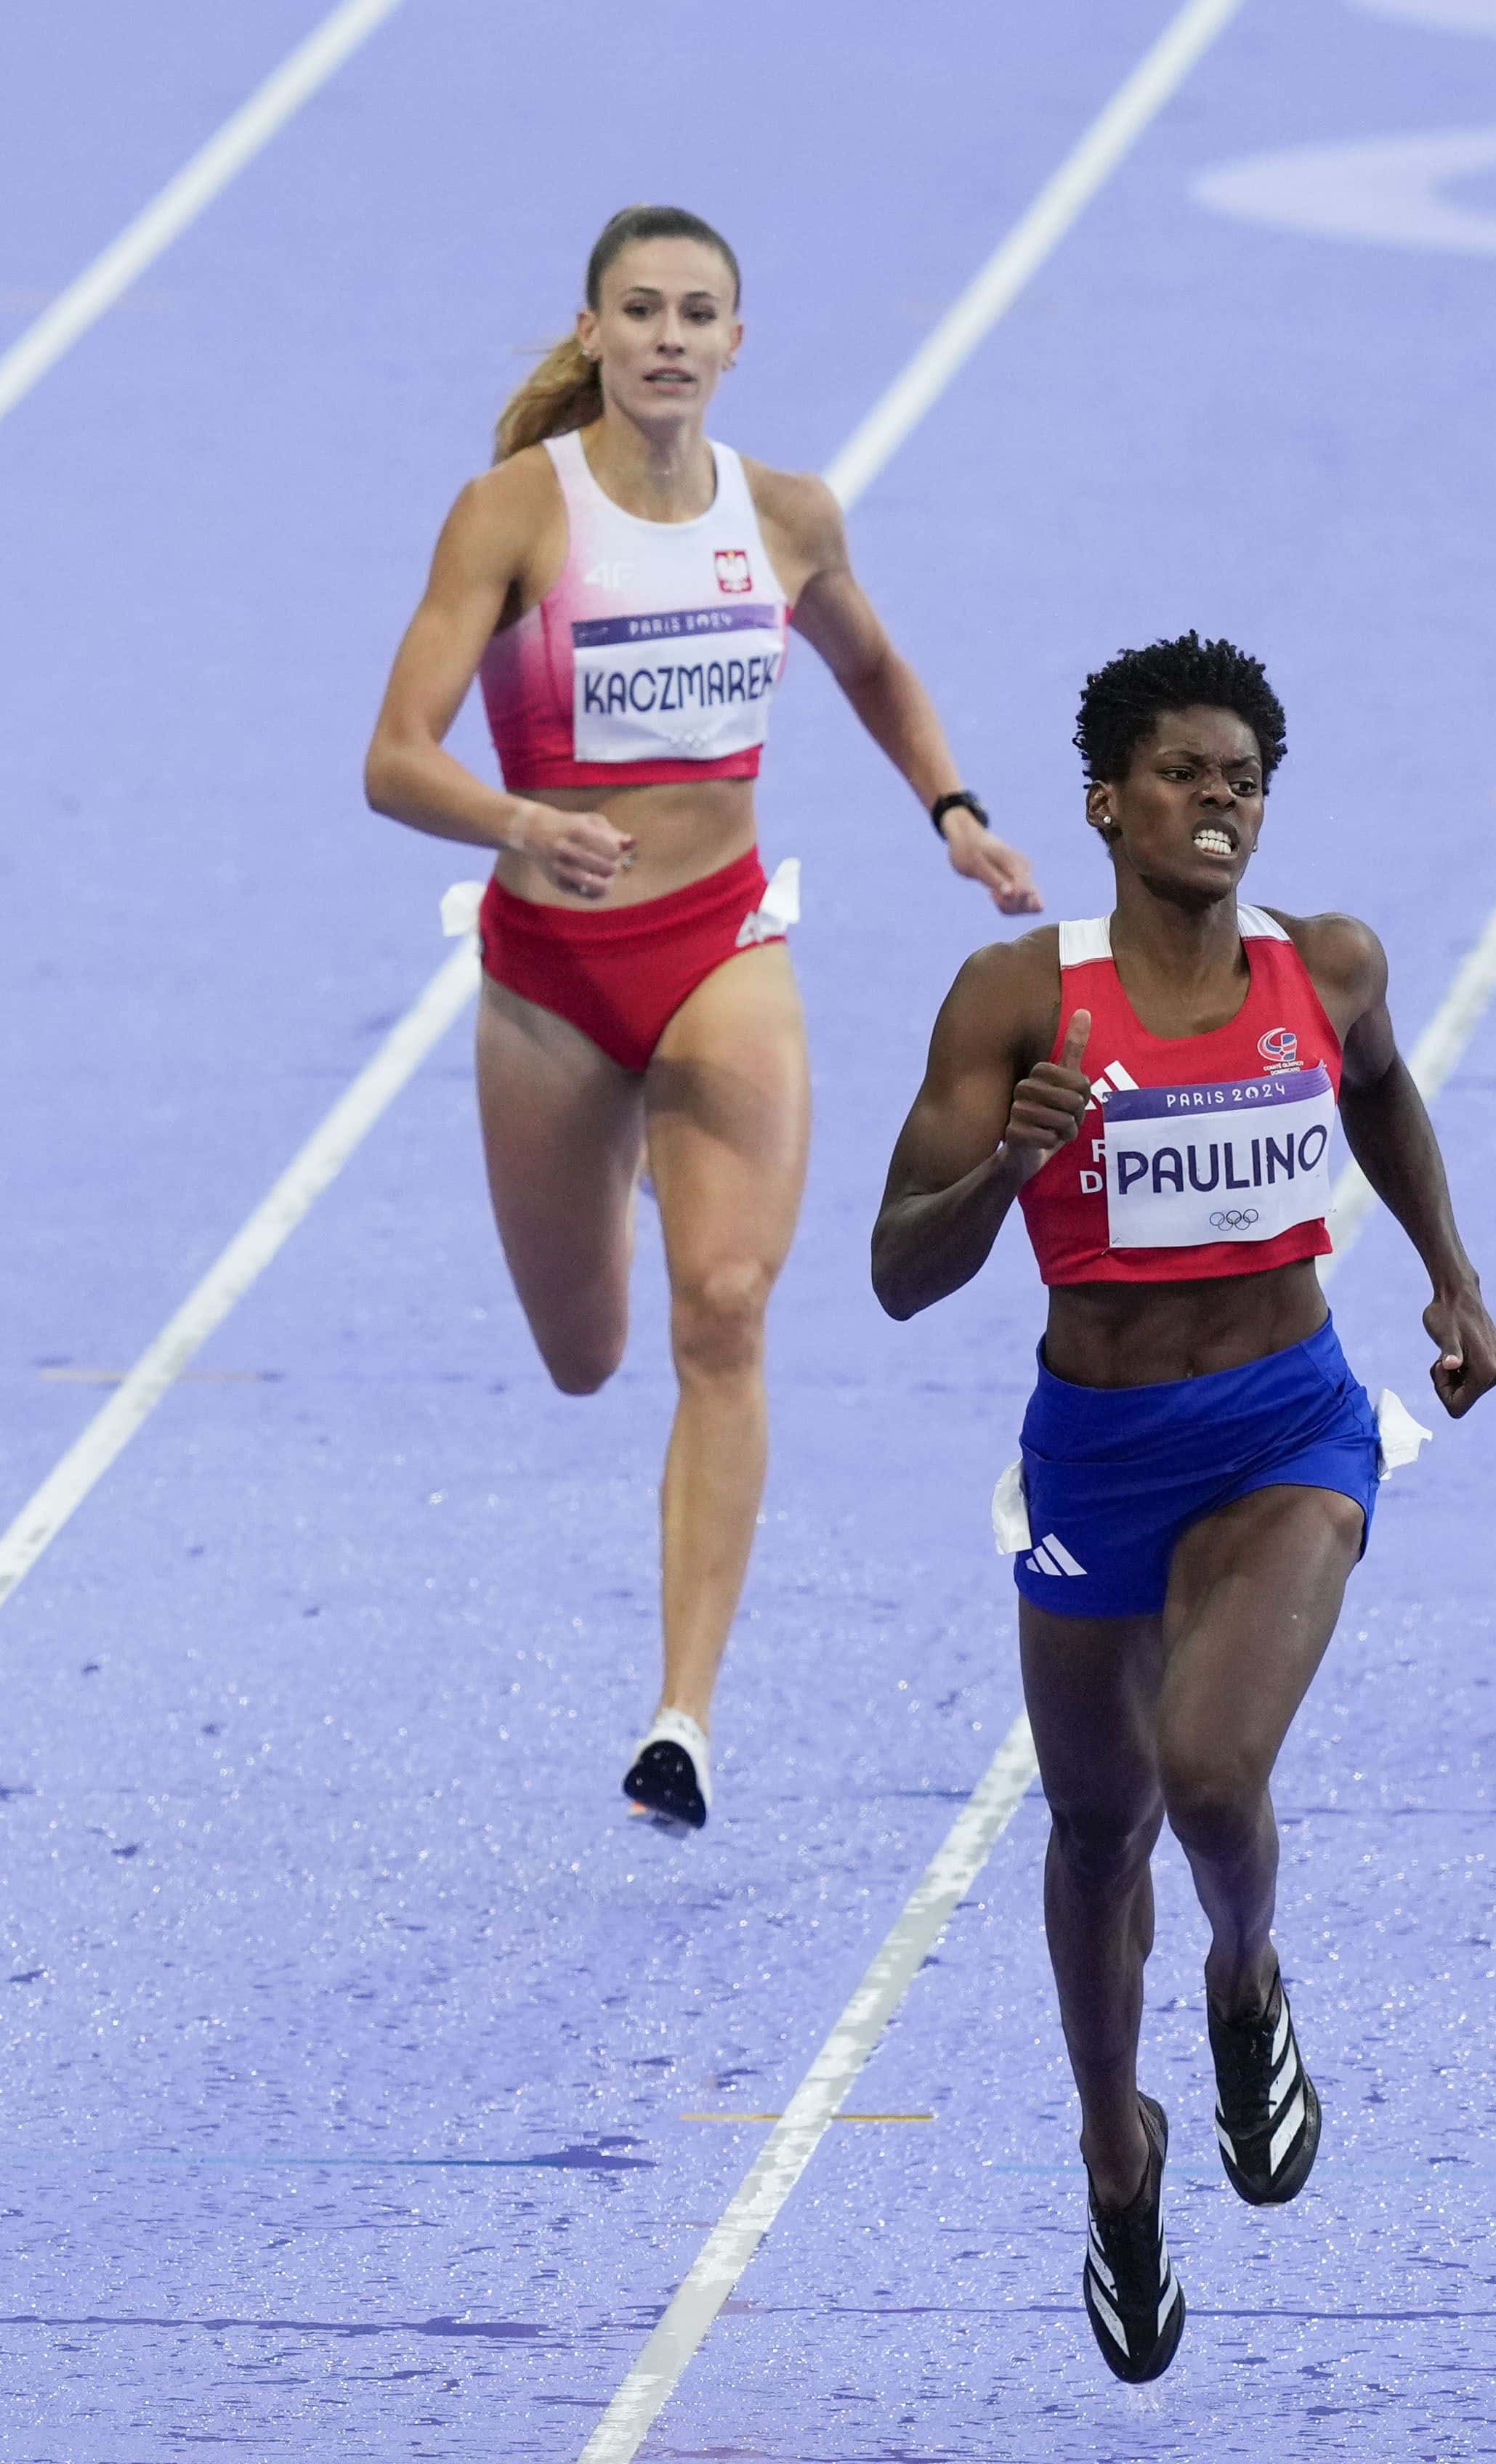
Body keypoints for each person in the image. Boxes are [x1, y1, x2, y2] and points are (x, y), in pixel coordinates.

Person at [870, 632, 1496, 2382]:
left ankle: (1242, 1985)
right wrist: (1011, 1160)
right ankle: (1116, 2153)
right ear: (1105, 804)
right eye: (1184, 774)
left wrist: (1452, 1278)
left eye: (1243, 778)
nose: (1219, 799)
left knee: (1213, 1770)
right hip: (1096, 1456)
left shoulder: (1334, 965)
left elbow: (1381, 1095)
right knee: (1095, 1833)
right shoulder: (1017, 1001)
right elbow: (895, 1276)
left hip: (1287, 1434)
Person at [363, 203, 1043, 1827]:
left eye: (700, 314)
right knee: (589, 1356)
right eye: (642, 311)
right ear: (593, 334)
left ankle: (684, 1717)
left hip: (724, 950)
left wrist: (952, 807)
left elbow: (875, 670)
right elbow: (395, 756)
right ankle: (627, 1146)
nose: (670, 338)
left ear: (739, 344)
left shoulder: (788, 516)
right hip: (549, 977)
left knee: (724, 1310)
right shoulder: (515, 514)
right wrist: (525, 826)